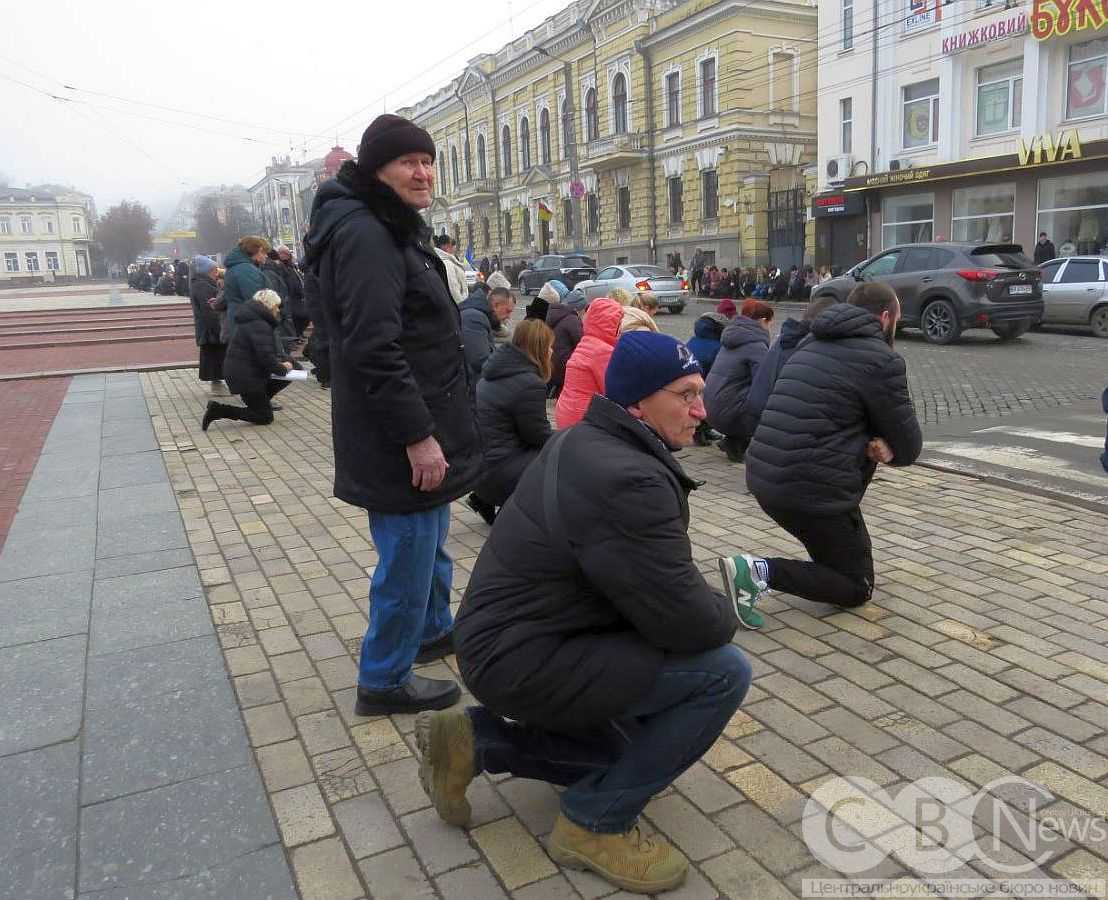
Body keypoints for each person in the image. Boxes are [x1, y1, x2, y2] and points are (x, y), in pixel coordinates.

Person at [418, 331, 751, 895]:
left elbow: (643, 588)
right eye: (687, 393)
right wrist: (730, 607)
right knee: (723, 671)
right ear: (641, 400)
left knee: (624, 752)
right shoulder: (629, 477)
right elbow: (685, 620)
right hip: (527, 658)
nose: (703, 409)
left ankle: (478, 741)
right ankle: (594, 822)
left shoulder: (587, 438)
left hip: (509, 644)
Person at [303, 113, 483, 716]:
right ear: (376, 169)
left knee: (429, 546)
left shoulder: (387, 224)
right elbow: (373, 347)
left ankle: (432, 631)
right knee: (408, 556)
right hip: (400, 435)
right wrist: (418, 437)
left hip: (418, 420)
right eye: (408, 161)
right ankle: (382, 681)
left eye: (428, 160)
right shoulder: (368, 234)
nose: (422, 171)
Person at [721, 283, 923, 629]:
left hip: (767, 476)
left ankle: (796, 569)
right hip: (812, 489)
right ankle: (756, 572)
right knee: (856, 585)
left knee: (839, 559)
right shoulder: (881, 359)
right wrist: (884, 445)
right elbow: (908, 446)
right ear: (886, 317)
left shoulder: (809, 342)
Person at [465, 319, 554, 525]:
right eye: (549, 347)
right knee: (558, 455)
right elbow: (538, 437)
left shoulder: (493, 371)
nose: (551, 352)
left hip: (479, 470)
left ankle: (484, 499)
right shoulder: (529, 383)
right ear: (538, 349)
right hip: (500, 474)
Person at [737, 296, 836, 445]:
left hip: (757, 422)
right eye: (770, 321)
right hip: (766, 428)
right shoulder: (811, 350)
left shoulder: (780, 342)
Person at [201, 289, 292, 430]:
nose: (278, 311)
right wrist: (283, 368)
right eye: (276, 307)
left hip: (246, 373)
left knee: (293, 367)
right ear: (270, 306)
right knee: (264, 417)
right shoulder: (259, 325)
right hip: (246, 377)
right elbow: (266, 358)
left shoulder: (254, 320)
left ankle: (261, 401)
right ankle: (218, 410)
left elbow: (263, 353)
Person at [704, 300, 773, 463]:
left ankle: (733, 440)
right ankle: (738, 442)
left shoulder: (730, 338)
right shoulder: (756, 345)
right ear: (763, 321)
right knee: (769, 400)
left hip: (709, 408)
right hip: (729, 415)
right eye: (770, 322)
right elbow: (764, 384)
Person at [554, 297, 622, 429]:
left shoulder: (586, 342)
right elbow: (613, 390)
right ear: (612, 324)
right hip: (584, 417)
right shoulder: (603, 351)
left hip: (566, 411)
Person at [687, 299, 736, 447]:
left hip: (689, 381)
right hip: (704, 384)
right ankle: (701, 430)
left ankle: (702, 429)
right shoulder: (717, 347)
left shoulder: (693, 341)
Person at [460, 285, 516, 386]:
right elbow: (481, 362)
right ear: (495, 305)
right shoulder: (474, 317)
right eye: (508, 311)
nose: (508, 316)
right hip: (469, 388)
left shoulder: (479, 315)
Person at [189, 255, 227, 395]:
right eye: (213, 270)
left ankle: (218, 384)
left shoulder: (204, 283)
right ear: (206, 271)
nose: (216, 273)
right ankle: (217, 387)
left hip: (209, 328)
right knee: (214, 357)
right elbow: (209, 310)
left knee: (215, 356)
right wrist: (218, 328)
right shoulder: (201, 285)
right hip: (209, 329)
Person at [222, 236, 269, 340]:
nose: (266, 256)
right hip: (249, 324)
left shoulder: (237, 267)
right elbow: (256, 300)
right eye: (265, 253)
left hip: (239, 321)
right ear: (258, 250)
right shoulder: (246, 270)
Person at [547, 289, 586, 399]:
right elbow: (582, 344)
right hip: (563, 369)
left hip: (549, 364)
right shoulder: (572, 319)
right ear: (579, 309)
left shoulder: (552, 313)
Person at [302, 269, 330, 388]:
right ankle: (325, 377)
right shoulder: (316, 272)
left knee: (321, 345)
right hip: (324, 313)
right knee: (324, 346)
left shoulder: (313, 271)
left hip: (320, 313)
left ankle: (324, 375)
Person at [276, 246, 309, 338]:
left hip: (299, 296)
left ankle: (299, 334)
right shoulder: (281, 267)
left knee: (304, 316)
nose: (287, 255)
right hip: (291, 296)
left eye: (287, 253)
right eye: (284, 253)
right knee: (298, 316)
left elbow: (298, 278)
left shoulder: (292, 266)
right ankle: (297, 335)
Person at [434, 233, 469, 304]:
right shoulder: (447, 264)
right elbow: (453, 289)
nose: (454, 248)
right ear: (446, 246)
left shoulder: (446, 261)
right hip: (459, 306)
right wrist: (462, 305)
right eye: (451, 244)